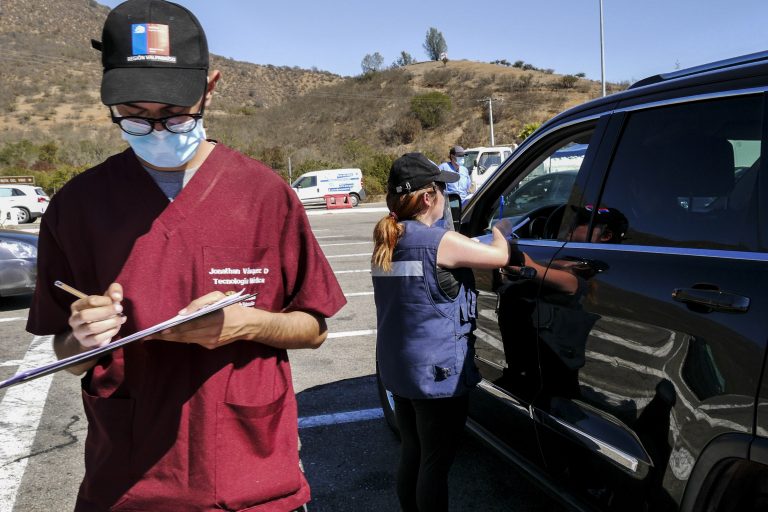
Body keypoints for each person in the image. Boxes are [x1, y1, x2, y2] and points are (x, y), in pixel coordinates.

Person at [25, 1, 346, 511]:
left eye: (174, 113)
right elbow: (64, 355)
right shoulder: (77, 207)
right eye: (133, 114)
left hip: (255, 485)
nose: (156, 129)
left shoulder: (264, 195)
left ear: (210, 88)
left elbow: (314, 328)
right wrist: (80, 338)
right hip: (128, 487)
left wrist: (247, 324)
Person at [371, 153, 513, 512]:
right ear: (428, 197)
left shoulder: (388, 242)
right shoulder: (438, 241)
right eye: (441, 190)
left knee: (413, 452)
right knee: (435, 463)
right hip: (436, 377)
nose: (445, 197)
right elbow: (498, 256)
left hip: (400, 371)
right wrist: (504, 230)